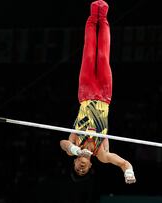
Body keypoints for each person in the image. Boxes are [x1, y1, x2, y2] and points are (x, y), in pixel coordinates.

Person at [60, 0, 136, 184]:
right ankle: (103, 17)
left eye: (77, 168)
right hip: (104, 95)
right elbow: (122, 163)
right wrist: (128, 171)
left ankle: (94, 16)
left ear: (75, 162)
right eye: (83, 172)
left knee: (88, 53)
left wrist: (76, 150)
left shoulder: (74, 144)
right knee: (103, 54)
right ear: (90, 167)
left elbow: (63, 144)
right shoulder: (100, 154)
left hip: (85, 94)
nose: (81, 168)